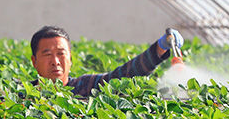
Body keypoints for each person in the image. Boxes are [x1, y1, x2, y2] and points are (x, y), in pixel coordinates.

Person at [30, 25, 184, 98]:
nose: (55, 61)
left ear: (70, 59)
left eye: (60, 54)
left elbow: (124, 76)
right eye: (47, 54)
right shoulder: (21, 94)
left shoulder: (85, 86)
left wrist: (159, 49)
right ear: (34, 61)